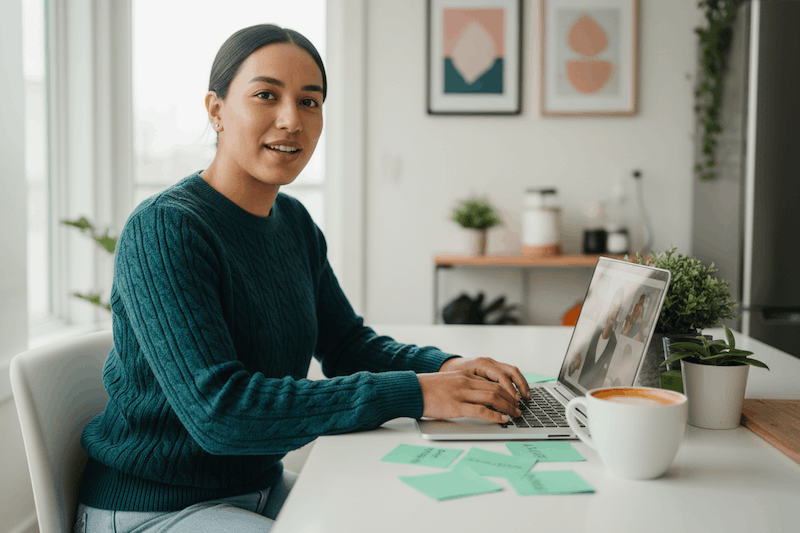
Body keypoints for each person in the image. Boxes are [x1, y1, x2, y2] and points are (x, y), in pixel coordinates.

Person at [73, 24, 530, 533]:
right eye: (266, 95)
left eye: (309, 102)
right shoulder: (166, 228)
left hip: (257, 491)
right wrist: (416, 392)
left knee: (414, 518)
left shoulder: (293, 223)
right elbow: (220, 412)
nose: (291, 120)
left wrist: (448, 367)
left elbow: (346, 344)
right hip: (156, 509)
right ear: (217, 110)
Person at [577, 287, 625, 390]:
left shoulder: (614, 343)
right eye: (614, 306)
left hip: (594, 394)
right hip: (577, 387)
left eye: (618, 308)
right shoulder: (592, 332)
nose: (615, 311)